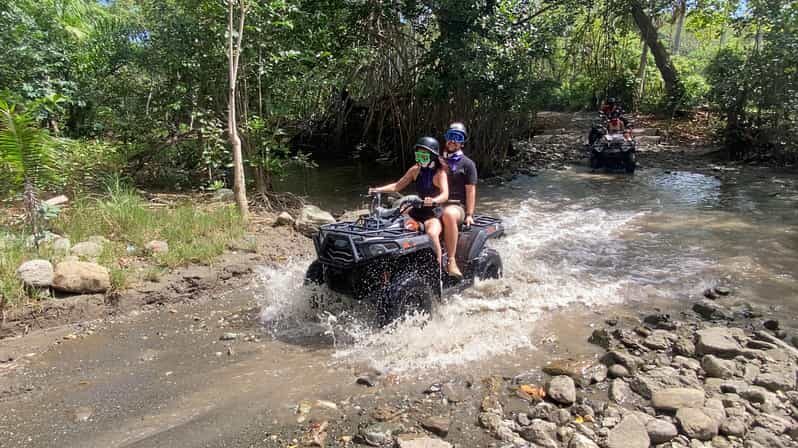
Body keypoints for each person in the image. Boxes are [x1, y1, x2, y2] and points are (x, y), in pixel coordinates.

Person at [369, 137, 449, 265]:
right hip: (416, 210)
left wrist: (434, 200)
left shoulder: (440, 174)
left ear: (433, 156)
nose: (420, 158)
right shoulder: (415, 170)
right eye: (418, 155)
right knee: (393, 225)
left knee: (432, 233)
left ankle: (441, 265)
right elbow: (397, 186)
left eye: (424, 155)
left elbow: (445, 195)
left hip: (433, 213)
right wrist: (378, 190)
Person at [440, 122, 478, 279]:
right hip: (437, 202)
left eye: (457, 138)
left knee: (448, 214)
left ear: (462, 142)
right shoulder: (438, 160)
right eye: (450, 137)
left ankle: (451, 260)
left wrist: (469, 214)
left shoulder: (468, 164)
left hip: (457, 206)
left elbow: (471, 190)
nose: (452, 141)